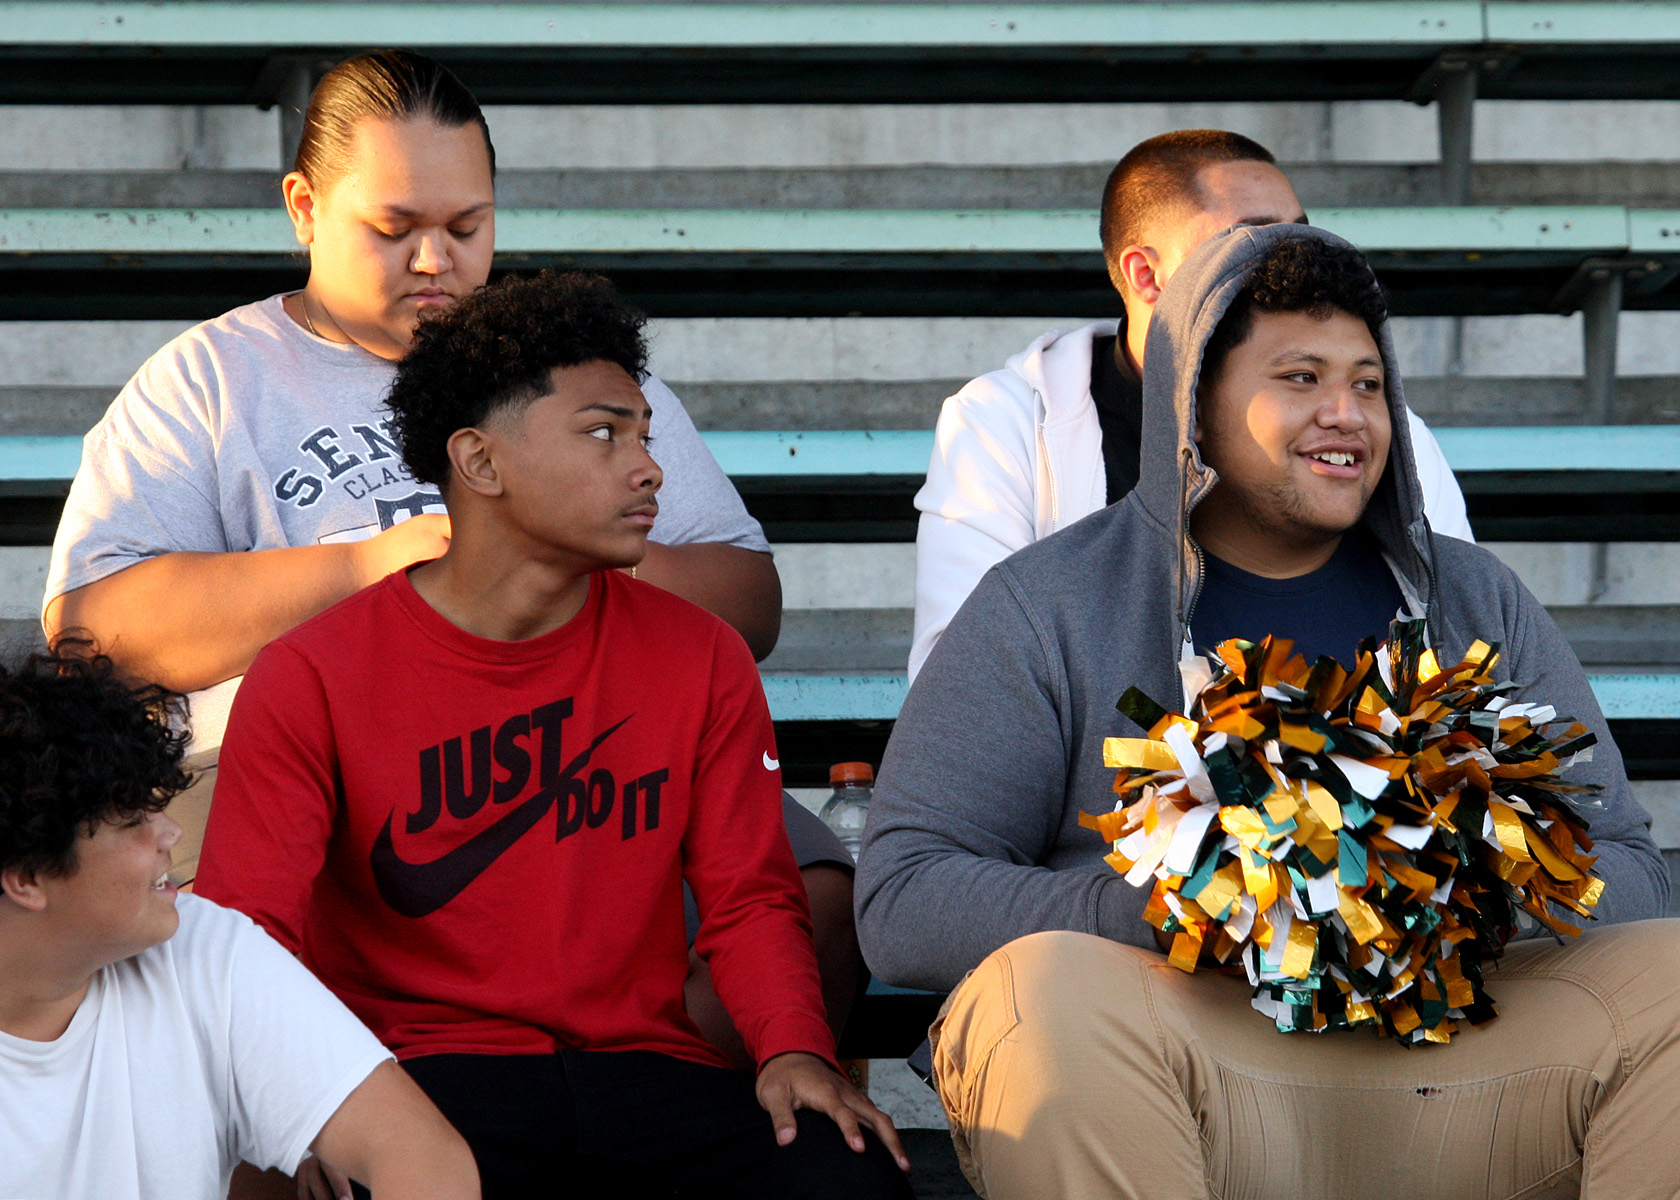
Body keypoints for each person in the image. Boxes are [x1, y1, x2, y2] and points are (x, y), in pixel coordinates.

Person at [39, 49, 858, 1075]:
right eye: (394, 229)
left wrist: (536, 565)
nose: (435, 259)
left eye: (467, 228)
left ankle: (635, 1125)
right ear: (302, 207)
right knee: (220, 943)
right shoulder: (211, 378)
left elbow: (746, 597)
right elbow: (96, 631)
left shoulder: (562, 368)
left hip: (594, 748)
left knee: (817, 891)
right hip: (291, 770)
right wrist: (375, 571)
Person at [856, 225, 1677, 1198]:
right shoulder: (1050, 602)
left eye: (1368, 383)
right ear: (1194, 396)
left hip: (1461, 1071)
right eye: (1299, 378)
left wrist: (1448, 886)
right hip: (1192, 1071)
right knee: (1038, 997)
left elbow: (1630, 870)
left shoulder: (1473, 598)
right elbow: (904, 897)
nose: (1346, 415)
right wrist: (1198, 901)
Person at [193, 270, 911, 1199]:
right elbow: (253, 937)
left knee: (846, 1176)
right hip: (420, 1081)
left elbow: (748, 900)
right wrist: (311, 1106)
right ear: (480, 463)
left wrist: (794, 1049)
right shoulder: (314, 673)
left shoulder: (702, 656)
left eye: (645, 435)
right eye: (604, 433)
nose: (649, 467)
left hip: (644, 1071)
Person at [910, 128, 1474, 680]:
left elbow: (1462, 639)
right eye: (1247, 240)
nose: (1290, 264)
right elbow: (962, 679)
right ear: (1146, 274)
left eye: (1299, 238)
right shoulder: (1005, 419)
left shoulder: (1379, 430)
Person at [0, 648, 479, 1200]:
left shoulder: (200, 943)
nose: (170, 835)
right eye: (133, 820)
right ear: (28, 877)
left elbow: (423, 1156)